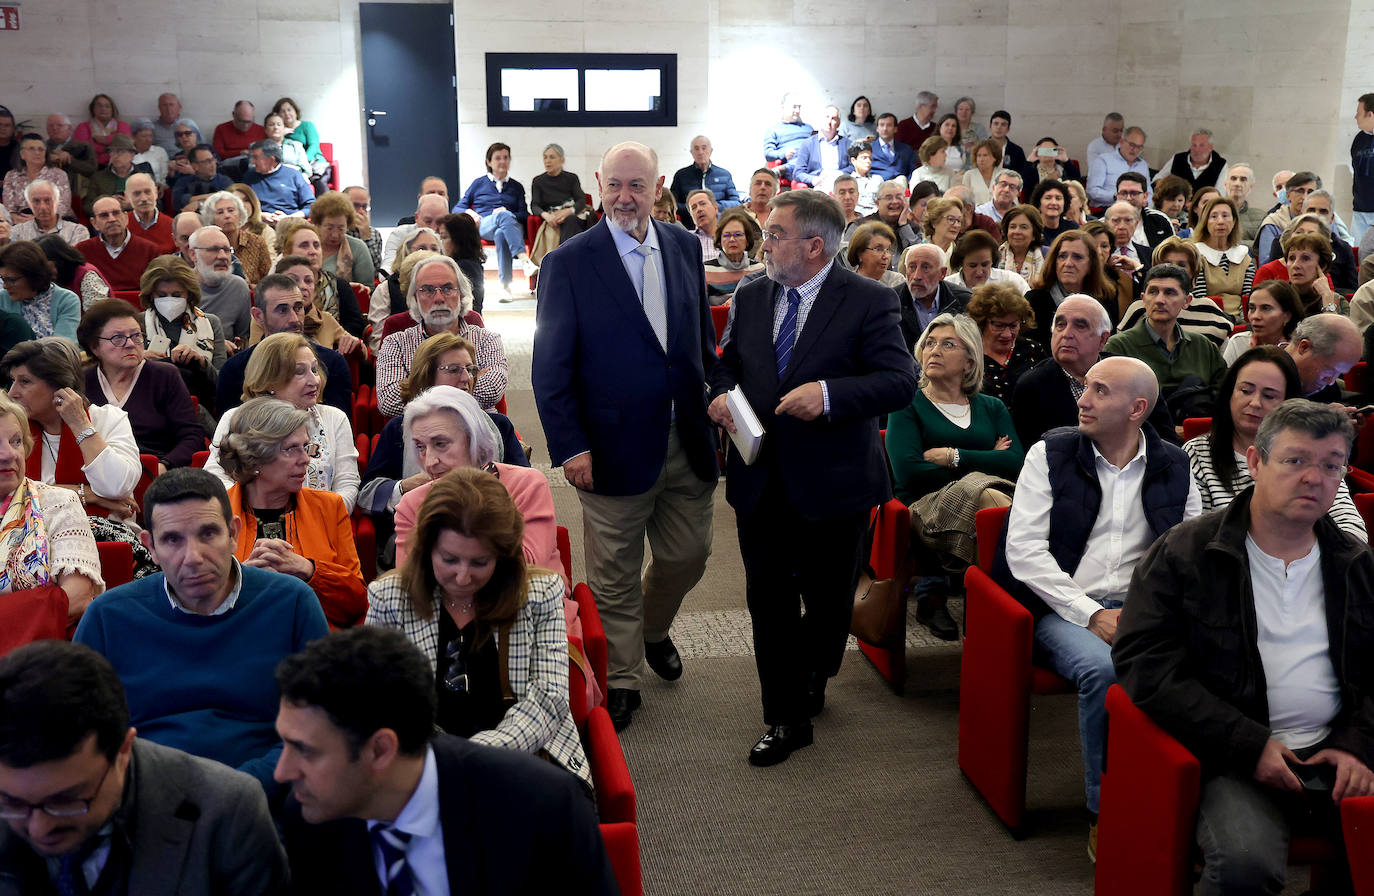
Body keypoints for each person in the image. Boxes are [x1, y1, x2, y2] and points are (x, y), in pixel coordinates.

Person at [1115, 399, 1374, 895]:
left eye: (1331, 465)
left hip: (1338, 746)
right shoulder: (1186, 553)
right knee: (1245, 862)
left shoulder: (1353, 562)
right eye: (1295, 461)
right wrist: (1248, 744)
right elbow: (1145, 667)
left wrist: (1358, 746)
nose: (1314, 479)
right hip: (1233, 752)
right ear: (1255, 463)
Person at [707, 188, 917, 764]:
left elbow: (901, 381)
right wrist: (721, 395)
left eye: (775, 234)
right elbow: (726, 363)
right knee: (768, 601)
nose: (763, 242)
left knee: (827, 605)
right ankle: (785, 717)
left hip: (835, 484)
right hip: (761, 479)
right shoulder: (753, 295)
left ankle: (816, 669)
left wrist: (828, 395)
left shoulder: (870, 300)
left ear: (815, 245)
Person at [534, 141, 719, 732]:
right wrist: (571, 446)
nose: (624, 197)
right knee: (612, 572)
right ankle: (621, 677)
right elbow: (550, 365)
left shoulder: (686, 247)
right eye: (614, 185)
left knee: (690, 555)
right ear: (597, 184)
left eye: (636, 186)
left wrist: (719, 398)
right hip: (608, 446)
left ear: (657, 186)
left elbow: (699, 344)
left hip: (685, 436)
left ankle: (653, 627)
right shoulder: (570, 261)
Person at [1000, 355, 1200, 857]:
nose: (1083, 399)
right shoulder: (1051, 453)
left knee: (1210, 661)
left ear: (1136, 409)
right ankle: (1103, 809)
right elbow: (1024, 553)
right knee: (1106, 670)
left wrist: (1150, 612)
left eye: (1100, 391)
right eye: (1085, 387)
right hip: (1061, 608)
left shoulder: (1175, 464)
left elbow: (1189, 553)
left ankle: (1184, 810)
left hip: (1144, 608)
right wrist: (1089, 611)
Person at [274, 626, 618, 894]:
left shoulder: (539, 808)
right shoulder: (308, 820)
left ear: (380, 750)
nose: (282, 772)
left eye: (305, 750)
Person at [74, 466, 329, 791]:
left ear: (234, 533)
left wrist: (241, 788)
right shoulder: (108, 616)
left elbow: (318, 722)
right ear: (149, 546)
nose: (192, 557)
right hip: (145, 796)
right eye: (172, 540)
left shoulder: (291, 602)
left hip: (269, 792)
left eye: (208, 534)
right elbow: (84, 731)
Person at [0, 640, 289, 895]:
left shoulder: (227, 813)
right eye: (12, 802)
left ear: (123, 750)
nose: (40, 828)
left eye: (65, 800)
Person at [368, 465, 589, 788]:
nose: (462, 577)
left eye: (479, 562)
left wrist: (475, 756)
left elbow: (548, 701)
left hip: (525, 754)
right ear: (427, 547)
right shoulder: (389, 597)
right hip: (423, 762)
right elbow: (383, 701)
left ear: (503, 554)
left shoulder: (540, 594)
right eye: (449, 559)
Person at [886, 312, 1021, 641]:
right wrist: (989, 459)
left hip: (976, 505)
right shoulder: (908, 404)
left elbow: (1017, 462)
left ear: (970, 361)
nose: (934, 350)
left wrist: (952, 456)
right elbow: (910, 472)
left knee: (985, 496)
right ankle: (1008, 605)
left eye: (948, 344)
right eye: (929, 343)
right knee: (989, 495)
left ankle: (983, 610)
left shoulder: (991, 407)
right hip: (924, 507)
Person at [361, 337, 527, 564]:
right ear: (427, 376)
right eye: (454, 370)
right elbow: (367, 494)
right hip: (420, 544)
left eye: (470, 369)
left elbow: (523, 490)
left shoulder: (498, 426)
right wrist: (404, 487)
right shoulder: (400, 429)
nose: (466, 378)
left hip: (495, 540)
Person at [213, 396, 366, 630]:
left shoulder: (329, 507)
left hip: (317, 646)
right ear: (255, 458)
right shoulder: (214, 515)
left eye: (305, 447)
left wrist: (309, 570)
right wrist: (242, 580)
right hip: (239, 647)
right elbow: (195, 605)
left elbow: (357, 603)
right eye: (291, 449)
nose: (306, 460)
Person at [1185, 345, 1364, 537]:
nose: (1254, 402)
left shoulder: (1314, 451)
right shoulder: (1197, 453)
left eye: (1269, 396)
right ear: (1230, 394)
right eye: (1245, 391)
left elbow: (1352, 530)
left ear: (1288, 403)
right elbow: (1193, 538)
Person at [392, 385, 551, 569]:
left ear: (474, 440)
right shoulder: (411, 505)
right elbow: (411, 585)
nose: (429, 462)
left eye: (441, 444)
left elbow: (527, 568)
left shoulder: (527, 485)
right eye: (420, 447)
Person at [206, 332, 360, 512]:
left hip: (320, 526)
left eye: (314, 369)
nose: (314, 381)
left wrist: (318, 517)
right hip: (251, 524)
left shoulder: (335, 418)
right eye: (299, 372)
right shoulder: (235, 418)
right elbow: (215, 477)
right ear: (270, 380)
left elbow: (347, 485)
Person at [1009, 295, 1174, 449]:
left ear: (1103, 339)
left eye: (1080, 326)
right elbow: (1034, 455)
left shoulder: (1133, 376)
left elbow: (1165, 443)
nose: (1066, 334)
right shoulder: (1031, 386)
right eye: (1060, 325)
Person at [0, 391, 102, 624]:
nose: (9, 454)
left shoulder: (58, 503)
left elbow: (77, 597)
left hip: (35, 647)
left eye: (15, 441)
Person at [79, 299, 203, 470]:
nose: (130, 344)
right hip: (99, 473)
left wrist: (164, 465)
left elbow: (192, 436)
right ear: (94, 347)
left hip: (157, 471)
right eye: (118, 338)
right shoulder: (83, 382)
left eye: (136, 336)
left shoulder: (165, 375)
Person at [377, 254, 507, 416]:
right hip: (420, 435)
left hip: (481, 431)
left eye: (447, 288)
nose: (438, 298)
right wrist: (465, 383)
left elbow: (492, 390)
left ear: (461, 295)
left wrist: (416, 384)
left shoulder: (487, 340)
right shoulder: (396, 343)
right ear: (415, 298)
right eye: (428, 290)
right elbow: (389, 401)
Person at [216, 274, 353, 416]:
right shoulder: (234, 370)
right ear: (258, 316)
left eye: (298, 308)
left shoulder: (332, 363)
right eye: (282, 310)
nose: (294, 319)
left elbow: (337, 428)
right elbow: (230, 431)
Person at [1105, 264, 1227, 403]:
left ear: (1186, 301)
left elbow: (1224, 396)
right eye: (1153, 292)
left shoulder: (1203, 347)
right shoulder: (1119, 347)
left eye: (1169, 293)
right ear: (1143, 299)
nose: (1159, 300)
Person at [135, 255, 226, 412]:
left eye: (177, 295)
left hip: (197, 405)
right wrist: (138, 361)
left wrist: (202, 363)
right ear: (151, 295)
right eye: (162, 295)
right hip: (150, 405)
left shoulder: (211, 323)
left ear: (189, 294)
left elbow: (223, 382)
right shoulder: (136, 324)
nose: (169, 301)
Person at [454, 142, 534, 300]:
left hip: (510, 226)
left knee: (501, 233)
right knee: (500, 217)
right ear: (489, 162)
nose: (502, 161)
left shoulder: (517, 186)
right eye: (498, 158)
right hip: (485, 224)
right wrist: (470, 213)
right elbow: (457, 208)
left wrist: (508, 213)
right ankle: (524, 260)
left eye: (506, 158)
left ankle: (505, 287)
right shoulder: (479, 183)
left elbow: (524, 214)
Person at [270, 220, 366, 343]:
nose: (313, 251)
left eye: (316, 245)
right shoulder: (273, 288)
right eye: (304, 245)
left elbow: (355, 328)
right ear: (287, 253)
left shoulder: (339, 285)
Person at [1025, 230, 1109, 343]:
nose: (1068, 263)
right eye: (1062, 256)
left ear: (1091, 265)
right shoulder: (1034, 301)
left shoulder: (1105, 300)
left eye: (1077, 257)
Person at [966, 282, 1045, 402]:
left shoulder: (1032, 349)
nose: (1007, 334)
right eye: (999, 326)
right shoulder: (969, 354)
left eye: (1013, 326)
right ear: (982, 322)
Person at [74, 196, 160, 293]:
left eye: (116, 213)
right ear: (94, 223)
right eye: (104, 215)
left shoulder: (150, 250)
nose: (112, 219)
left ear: (126, 218)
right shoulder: (82, 250)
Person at [897, 243, 972, 354]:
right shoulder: (890, 301)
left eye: (926, 267)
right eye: (912, 267)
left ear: (942, 273)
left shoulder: (965, 300)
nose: (917, 276)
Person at [0, 239, 82, 341]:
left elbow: (65, 345)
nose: (5, 286)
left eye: (11, 280)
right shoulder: (2, 298)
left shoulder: (66, 300)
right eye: (3, 279)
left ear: (33, 276)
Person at [1189, 195, 1256, 317]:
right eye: (1214, 216)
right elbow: (1200, 298)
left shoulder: (1244, 256)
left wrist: (1241, 322)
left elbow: (1248, 297)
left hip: (1241, 320)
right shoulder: (1196, 254)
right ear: (1205, 222)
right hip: (1208, 319)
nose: (1220, 221)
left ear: (1234, 221)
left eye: (1225, 216)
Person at [372, 229, 444, 342]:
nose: (429, 253)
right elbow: (378, 342)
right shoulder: (385, 289)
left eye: (434, 249)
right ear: (405, 253)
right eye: (421, 248)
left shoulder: (453, 288)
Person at [188, 224, 253, 348]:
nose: (223, 256)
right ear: (193, 254)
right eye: (214, 249)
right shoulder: (179, 287)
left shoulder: (238, 287)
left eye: (227, 250)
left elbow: (243, 339)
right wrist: (215, 344)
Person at [529, 142, 591, 265]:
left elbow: (581, 200)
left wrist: (568, 211)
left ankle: (566, 260)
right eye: (545, 157)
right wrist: (547, 216)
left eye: (552, 157)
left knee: (571, 220)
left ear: (562, 160)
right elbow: (534, 205)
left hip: (572, 216)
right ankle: (570, 261)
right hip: (551, 218)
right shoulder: (538, 181)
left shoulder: (571, 178)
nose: (548, 161)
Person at [1221, 280, 1304, 364]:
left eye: (1266, 308)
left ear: (1287, 316)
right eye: (1252, 308)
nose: (1255, 316)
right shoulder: (1239, 342)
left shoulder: (1301, 349)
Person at [310, 190, 375, 288]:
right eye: (329, 228)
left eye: (341, 228)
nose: (335, 235)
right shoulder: (305, 245)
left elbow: (367, 289)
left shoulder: (358, 248)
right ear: (318, 224)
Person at [1255, 170, 1319, 266]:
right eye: (1300, 191)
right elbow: (1266, 264)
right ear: (1288, 195)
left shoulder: (1322, 220)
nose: (1305, 197)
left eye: (1310, 192)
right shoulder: (1272, 223)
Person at [3, 133, 72, 220]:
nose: (37, 152)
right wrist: (16, 218)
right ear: (22, 154)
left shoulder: (59, 175)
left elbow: (63, 206)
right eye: (31, 149)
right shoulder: (11, 175)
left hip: (54, 219)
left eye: (41, 149)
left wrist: (38, 219)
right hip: (21, 221)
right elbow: (9, 208)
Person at [669, 135, 740, 218]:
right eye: (696, 149)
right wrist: (694, 208)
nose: (700, 152)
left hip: (720, 223)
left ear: (711, 151)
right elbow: (672, 204)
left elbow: (736, 202)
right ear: (691, 152)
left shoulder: (724, 175)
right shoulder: (681, 176)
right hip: (690, 225)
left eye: (704, 148)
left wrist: (713, 206)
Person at [244, 140, 314, 224]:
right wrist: (260, 215)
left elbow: (310, 206)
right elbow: (241, 205)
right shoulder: (250, 176)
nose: (252, 162)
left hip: (290, 223)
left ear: (271, 159)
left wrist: (288, 218)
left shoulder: (293, 175)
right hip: (259, 224)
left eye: (256, 158)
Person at [704, 207, 765, 301]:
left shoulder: (759, 270)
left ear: (747, 240)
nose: (732, 239)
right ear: (719, 240)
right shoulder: (706, 270)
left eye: (738, 234)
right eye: (727, 235)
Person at [34, 233, 105, 314]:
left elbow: (98, 315)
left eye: (42, 262)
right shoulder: (47, 279)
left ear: (56, 259)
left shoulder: (87, 275)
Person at [945, 229, 1030, 295]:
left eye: (985, 264)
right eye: (973, 265)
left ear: (993, 260)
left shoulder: (1012, 281)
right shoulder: (947, 287)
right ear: (961, 263)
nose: (979, 271)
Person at [1285, 231, 1347, 318]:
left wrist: (1326, 298)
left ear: (1322, 265)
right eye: (1291, 258)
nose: (1295, 265)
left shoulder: (1338, 301)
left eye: (1305, 258)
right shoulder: (1276, 297)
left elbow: (1335, 331)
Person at [862, 179, 920, 269]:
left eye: (899, 197)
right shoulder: (862, 226)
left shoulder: (913, 228)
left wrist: (904, 226)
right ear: (877, 203)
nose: (894, 201)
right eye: (889, 198)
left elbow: (920, 254)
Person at [1086, 126, 1150, 207]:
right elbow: (1092, 191)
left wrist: (1147, 202)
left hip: (1137, 210)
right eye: (1132, 144)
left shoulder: (1143, 165)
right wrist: (1116, 196)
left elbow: (1149, 192)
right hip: (1108, 208)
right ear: (1121, 141)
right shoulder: (1103, 160)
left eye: (1139, 147)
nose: (1135, 149)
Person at [790, 106, 852, 189]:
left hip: (841, 186)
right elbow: (798, 173)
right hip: (817, 188)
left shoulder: (847, 144)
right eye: (826, 117)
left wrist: (839, 173)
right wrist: (814, 180)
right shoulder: (807, 144)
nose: (829, 121)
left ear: (839, 123)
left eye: (833, 118)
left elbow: (854, 167)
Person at [437, 213, 488, 314]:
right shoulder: (468, 263)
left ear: (459, 240)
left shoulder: (465, 267)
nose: (440, 243)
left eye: (444, 237)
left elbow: (469, 308)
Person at [10, 179, 87, 245]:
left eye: (48, 200)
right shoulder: (17, 232)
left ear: (58, 201)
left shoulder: (77, 231)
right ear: (29, 204)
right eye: (36, 201)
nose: (43, 207)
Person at [82, 135, 149, 210]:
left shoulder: (144, 178)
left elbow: (157, 206)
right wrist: (107, 202)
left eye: (121, 152)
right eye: (112, 152)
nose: (115, 156)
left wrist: (134, 205)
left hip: (136, 219)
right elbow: (87, 208)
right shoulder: (98, 178)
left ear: (132, 155)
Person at [1116, 172, 1175, 254]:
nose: (1128, 198)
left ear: (1145, 196)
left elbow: (1172, 255)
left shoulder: (1160, 220)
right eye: (1123, 193)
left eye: (1134, 193)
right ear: (1117, 196)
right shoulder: (1104, 223)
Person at [43, 114, 98, 199]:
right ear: (46, 129)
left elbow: (92, 170)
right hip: (46, 193)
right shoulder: (41, 148)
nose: (54, 128)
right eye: (51, 126)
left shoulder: (83, 147)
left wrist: (70, 160)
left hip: (74, 194)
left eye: (59, 125)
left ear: (69, 128)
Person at [1157, 128, 1227, 193]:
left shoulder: (1220, 164)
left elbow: (1220, 194)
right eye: (1194, 145)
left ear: (1210, 147)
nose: (1197, 150)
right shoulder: (1178, 158)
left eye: (1201, 145)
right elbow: (1157, 179)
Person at [122, 172, 174, 255]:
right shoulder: (121, 226)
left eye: (148, 192)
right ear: (127, 196)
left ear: (156, 193)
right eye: (137, 193)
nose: (144, 198)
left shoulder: (173, 226)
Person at [763, 92, 814, 176]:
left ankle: (785, 169)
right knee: (799, 156)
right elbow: (768, 154)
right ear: (783, 108)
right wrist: (784, 153)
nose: (797, 111)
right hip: (794, 160)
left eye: (799, 107)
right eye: (794, 107)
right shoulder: (774, 130)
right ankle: (787, 168)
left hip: (811, 160)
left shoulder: (808, 128)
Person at [73, 94, 130, 168]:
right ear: (93, 109)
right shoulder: (83, 127)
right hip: (90, 167)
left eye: (107, 106)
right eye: (99, 106)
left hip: (118, 167)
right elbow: (84, 150)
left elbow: (125, 146)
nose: (103, 109)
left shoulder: (123, 125)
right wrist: (111, 147)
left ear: (112, 110)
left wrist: (104, 140)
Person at [211, 101, 267, 172]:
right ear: (233, 115)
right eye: (241, 121)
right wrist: (240, 153)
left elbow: (266, 152)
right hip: (229, 168)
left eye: (249, 122)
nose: (245, 125)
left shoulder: (261, 130)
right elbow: (217, 154)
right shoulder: (221, 129)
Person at [847, 220, 904, 289]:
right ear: (860, 253)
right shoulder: (846, 283)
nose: (886, 256)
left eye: (888, 250)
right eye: (879, 249)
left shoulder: (896, 281)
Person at [998, 204, 1046, 283]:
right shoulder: (996, 256)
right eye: (1013, 227)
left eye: (1024, 227)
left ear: (1034, 234)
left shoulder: (1047, 255)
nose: (1017, 232)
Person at [343, 185, 383, 272]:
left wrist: (366, 236)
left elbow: (376, 271)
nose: (361, 211)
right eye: (355, 205)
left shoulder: (374, 234)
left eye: (364, 206)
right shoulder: (334, 231)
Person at [261, 114, 310, 182]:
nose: (276, 127)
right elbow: (253, 170)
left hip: (294, 181)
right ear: (265, 130)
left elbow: (307, 170)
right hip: (268, 182)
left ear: (284, 128)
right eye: (271, 125)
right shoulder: (258, 148)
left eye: (279, 124)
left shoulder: (296, 146)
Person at [1225, 162, 1266, 242]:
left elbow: (1261, 247)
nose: (1237, 183)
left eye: (1243, 179)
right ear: (1225, 184)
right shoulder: (1212, 213)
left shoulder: (1261, 217)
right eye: (1233, 178)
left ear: (1251, 187)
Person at [869, 113, 916, 181]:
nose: (885, 129)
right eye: (882, 125)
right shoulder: (868, 148)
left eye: (889, 125)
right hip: (877, 184)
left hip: (900, 185)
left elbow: (913, 171)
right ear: (877, 128)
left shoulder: (906, 149)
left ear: (895, 129)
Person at [1353, 93, 1374, 244]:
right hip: (1360, 209)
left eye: (1359, 113)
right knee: (1358, 254)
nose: (1355, 117)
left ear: (1370, 114)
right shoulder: (1359, 139)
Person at [921, 196, 964, 267]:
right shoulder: (916, 252)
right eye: (951, 219)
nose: (956, 225)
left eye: (959, 220)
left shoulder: (961, 256)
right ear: (934, 222)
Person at [986, 110, 1027, 182]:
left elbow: (1021, 176)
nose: (999, 127)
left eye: (1003, 124)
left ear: (1008, 129)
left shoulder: (1017, 151)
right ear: (990, 127)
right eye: (996, 123)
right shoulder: (980, 148)